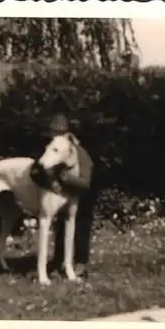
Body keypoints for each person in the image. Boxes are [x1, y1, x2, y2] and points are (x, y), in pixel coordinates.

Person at [30, 111, 97, 277]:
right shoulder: (51, 148)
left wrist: (65, 178)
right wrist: (51, 182)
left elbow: (85, 182)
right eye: (53, 133)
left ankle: (80, 262)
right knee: (61, 226)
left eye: (59, 133)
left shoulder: (80, 153)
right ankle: (59, 261)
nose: (55, 136)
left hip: (84, 189)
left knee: (81, 224)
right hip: (64, 191)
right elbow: (35, 171)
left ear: (67, 134)